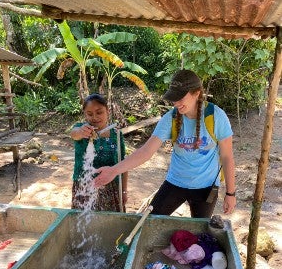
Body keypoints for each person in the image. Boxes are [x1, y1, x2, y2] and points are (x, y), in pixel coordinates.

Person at [94, 69, 236, 218]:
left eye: (180, 98)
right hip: (175, 182)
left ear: (197, 93)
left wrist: (230, 193)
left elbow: (227, 157)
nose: (176, 103)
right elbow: (146, 151)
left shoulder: (216, 117)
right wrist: (114, 170)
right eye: (174, 98)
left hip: (206, 186)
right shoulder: (171, 118)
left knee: (199, 234)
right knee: (149, 221)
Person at [70, 93, 128, 212]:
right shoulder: (82, 129)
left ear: (107, 111)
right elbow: (74, 134)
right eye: (89, 114)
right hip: (84, 186)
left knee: (110, 225)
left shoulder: (116, 134)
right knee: (83, 224)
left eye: (99, 112)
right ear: (85, 115)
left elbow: (124, 164)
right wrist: (81, 132)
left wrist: (124, 190)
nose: (95, 117)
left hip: (111, 188)